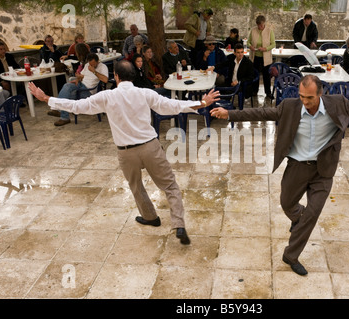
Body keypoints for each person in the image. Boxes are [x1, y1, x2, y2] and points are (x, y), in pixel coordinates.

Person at [210, 74, 349, 276]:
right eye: (302, 96)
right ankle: (298, 220)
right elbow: (261, 113)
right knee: (287, 203)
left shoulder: (338, 104)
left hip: (323, 169)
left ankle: (291, 256)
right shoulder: (290, 107)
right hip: (297, 165)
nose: (305, 101)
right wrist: (230, 114)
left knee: (312, 213)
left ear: (320, 93)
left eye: (309, 97)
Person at [28, 60, 220, 245]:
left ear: (116, 77)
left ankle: (150, 217)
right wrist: (203, 103)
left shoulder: (107, 96)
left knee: (136, 187)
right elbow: (173, 105)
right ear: (133, 76)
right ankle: (178, 225)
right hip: (150, 147)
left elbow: (78, 107)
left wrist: (46, 99)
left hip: (126, 152)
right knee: (170, 186)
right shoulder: (146, 93)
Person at [48, 51, 108, 126]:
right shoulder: (87, 65)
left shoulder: (103, 67)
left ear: (97, 61)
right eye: (90, 64)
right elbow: (83, 76)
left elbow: (105, 80)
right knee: (66, 86)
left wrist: (94, 72)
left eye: (93, 64)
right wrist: (78, 78)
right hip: (80, 84)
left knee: (68, 95)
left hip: (88, 90)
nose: (91, 66)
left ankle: (63, 115)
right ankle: (59, 110)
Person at [247, 15, 275, 99]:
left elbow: (273, 44)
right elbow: (248, 42)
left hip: (265, 58)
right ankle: (254, 91)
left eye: (261, 25)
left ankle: (268, 92)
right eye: (258, 25)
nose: (260, 27)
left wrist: (265, 48)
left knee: (266, 76)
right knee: (255, 75)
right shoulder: (253, 30)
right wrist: (250, 46)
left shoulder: (269, 31)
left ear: (264, 23)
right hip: (255, 56)